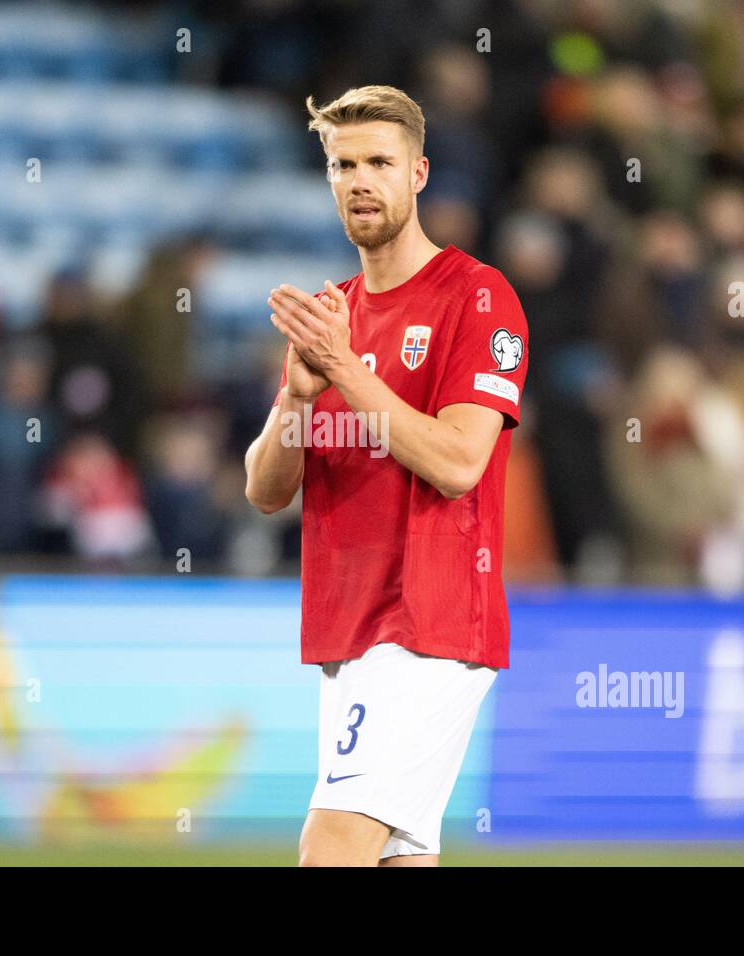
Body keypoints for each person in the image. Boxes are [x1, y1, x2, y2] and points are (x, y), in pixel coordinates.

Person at [243, 85, 529, 866]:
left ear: (419, 174)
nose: (360, 179)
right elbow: (265, 490)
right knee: (399, 859)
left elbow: (458, 461)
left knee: (330, 849)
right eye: (343, 165)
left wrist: (343, 370)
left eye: (379, 162)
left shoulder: (478, 298)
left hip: (427, 624)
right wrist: (298, 400)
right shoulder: (330, 314)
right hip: (349, 627)